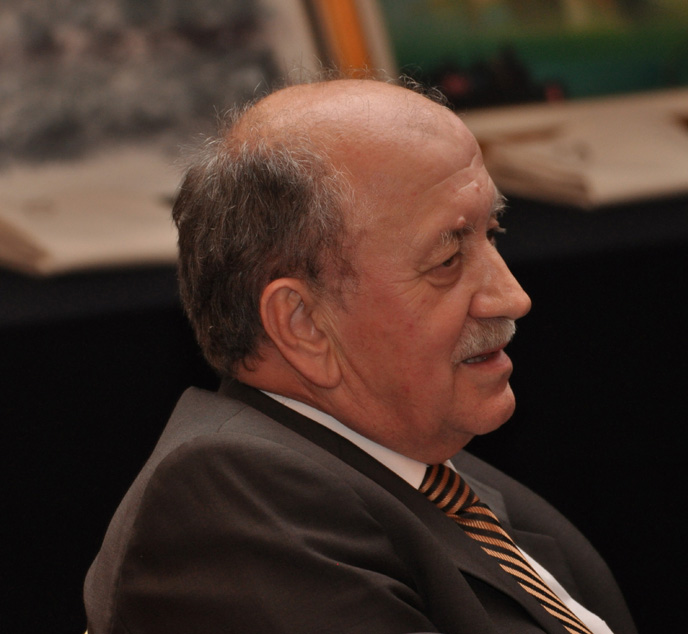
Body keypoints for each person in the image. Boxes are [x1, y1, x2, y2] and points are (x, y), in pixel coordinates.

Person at [84, 78, 637, 634]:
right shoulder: (230, 501)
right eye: (447, 259)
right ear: (303, 324)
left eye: (492, 234)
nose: (512, 297)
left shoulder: (423, 467)